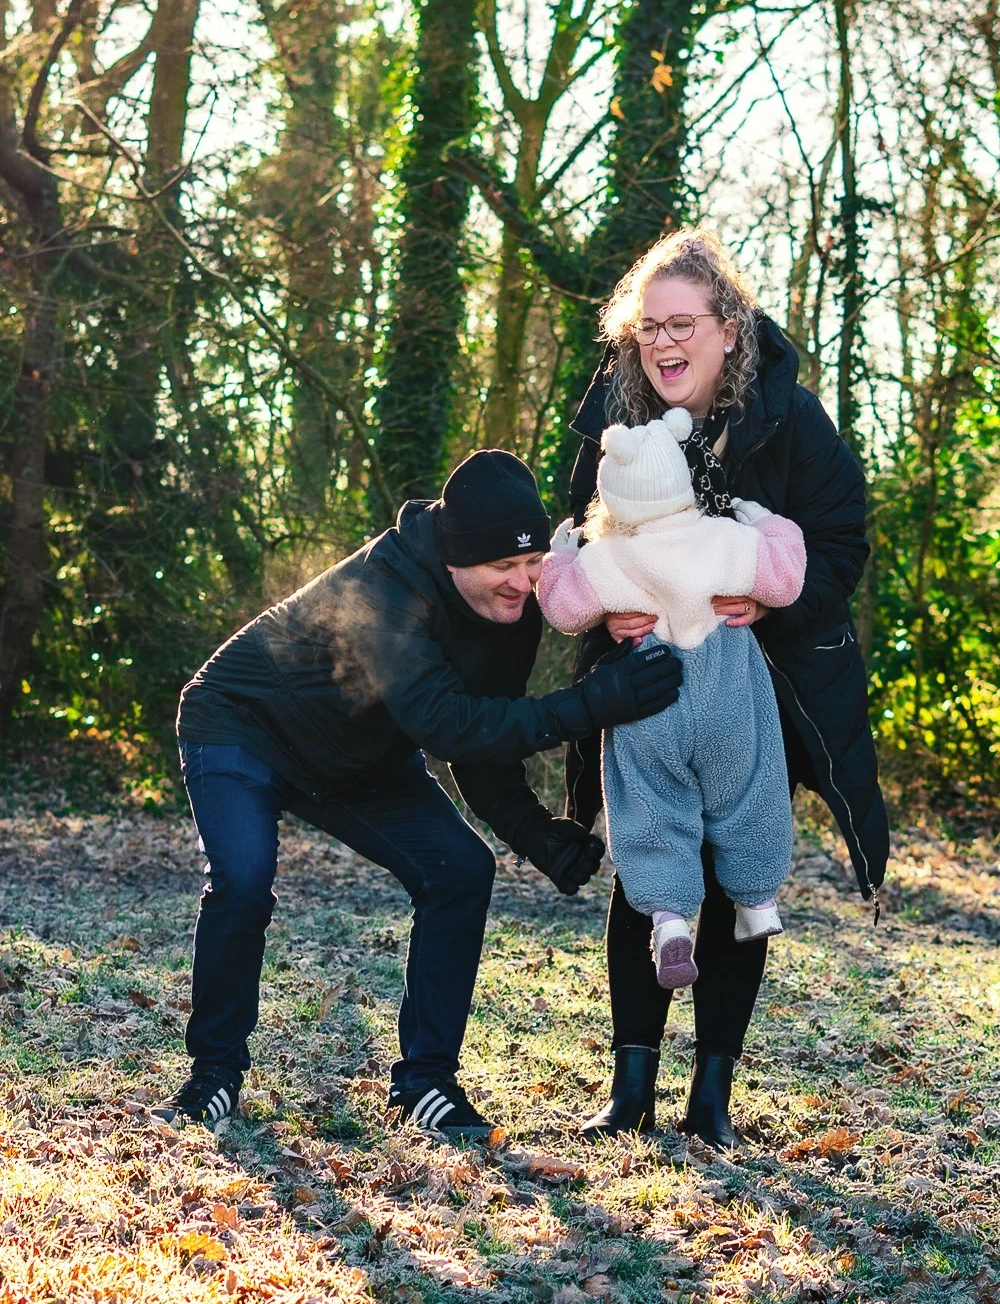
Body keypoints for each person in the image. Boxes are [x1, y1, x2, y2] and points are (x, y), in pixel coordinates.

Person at [153, 449, 682, 1141]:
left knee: (461, 871)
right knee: (244, 880)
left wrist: (530, 830)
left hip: (359, 757)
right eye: (504, 567)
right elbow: (445, 723)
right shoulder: (385, 588)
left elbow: (479, 732)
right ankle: (212, 1079)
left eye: (532, 566)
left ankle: (425, 1083)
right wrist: (587, 706)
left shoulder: (512, 607)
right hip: (243, 725)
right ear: (458, 559)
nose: (523, 584)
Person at [563, 227, 889, 1146]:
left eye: (681, 325)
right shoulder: (610, 413)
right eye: (647, 328)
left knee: (736, 876)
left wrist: (766, 602)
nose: (663, 344)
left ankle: (712, 1096)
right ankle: (630, 1091)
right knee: (648, 872)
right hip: (643, 685)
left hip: (763, 690)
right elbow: (575, 532)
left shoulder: (791, 419)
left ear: (729, 329)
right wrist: (607, 609)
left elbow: (840, 544)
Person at [538, 408, 807, 987]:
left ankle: (668, 923)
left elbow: (561, 609)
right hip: (727, 690)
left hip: (650, 694)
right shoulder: (722, 537)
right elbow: (786, 580)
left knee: (650, 803)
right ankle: (757, 902)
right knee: (752, 787)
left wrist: (561, 554)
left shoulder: (607, 556)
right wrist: (764, 522)